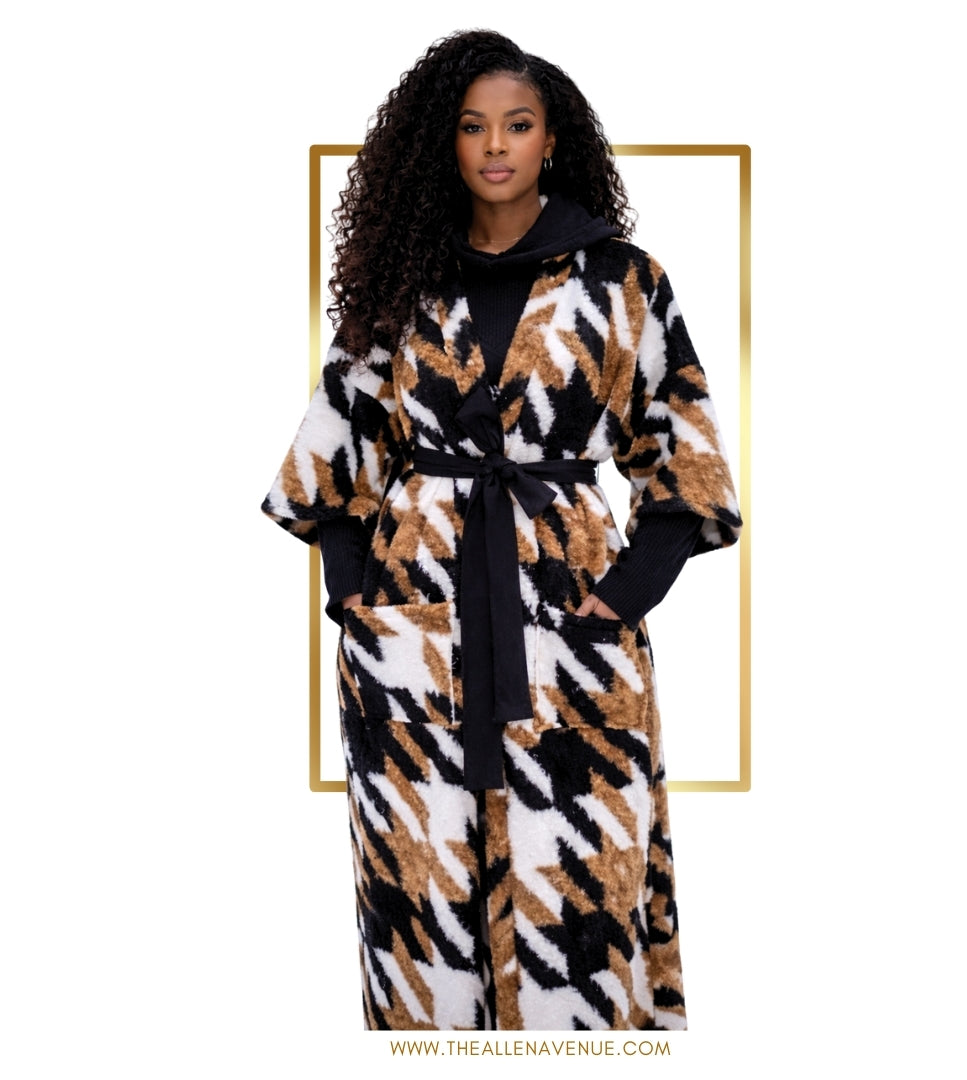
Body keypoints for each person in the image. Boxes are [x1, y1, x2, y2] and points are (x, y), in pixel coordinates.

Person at [262, 29, 741, 1031]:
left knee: (583, 882)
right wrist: (356, 598)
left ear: (551, 139)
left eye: (517, 125)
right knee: (418, 886)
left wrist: (621, 598)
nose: (494, 146)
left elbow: (685, 458)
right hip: (415, 629)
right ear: (443, 143)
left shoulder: (622, 279)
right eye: (472, 127)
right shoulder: (402, 278)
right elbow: (334, 452)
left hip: (569, 617)